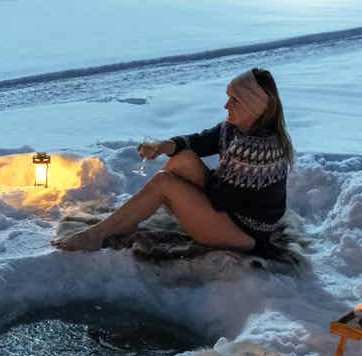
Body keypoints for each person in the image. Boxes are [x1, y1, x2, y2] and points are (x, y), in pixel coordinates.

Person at [54, 67, 293, 252]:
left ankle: (99, 234)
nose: (226, 105)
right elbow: (200, 141)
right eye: (228, 97)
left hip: (244, 233)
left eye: (234, 100)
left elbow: (222, 200)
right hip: (231, 212)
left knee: (164, 183)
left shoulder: (257, 149)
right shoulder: (237, 128)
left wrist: (177, 189)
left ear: (253, 106)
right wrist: (163, 146)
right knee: (184, 158)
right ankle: (132, 215)